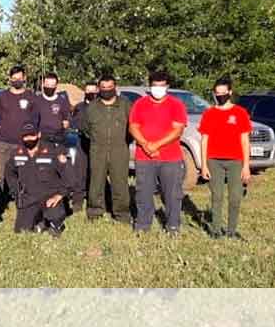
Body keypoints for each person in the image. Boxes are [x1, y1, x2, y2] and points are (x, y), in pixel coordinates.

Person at [129, 71, 188, 235]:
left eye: (162, 85)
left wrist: (156, 145)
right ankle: (142, 225)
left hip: (170, 158)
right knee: (143, 193)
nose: (158, 89)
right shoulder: (140, 104)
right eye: (155, 85)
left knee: (172, 194)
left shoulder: (176, 105)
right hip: (144, 157)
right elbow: (133, 127)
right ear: (150, 86)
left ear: (167, 86)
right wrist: (145, 144)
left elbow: (177, 130)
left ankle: (173, 225)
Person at [199, 78, 252, 240]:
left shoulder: (240, 113)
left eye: (223, 93)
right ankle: (215, 230)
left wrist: (246, 165)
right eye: (217, 93)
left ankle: (231, 230)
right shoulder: (209, 113)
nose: (220, 96)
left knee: (235, 197)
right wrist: (204, 166)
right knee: (217, 196)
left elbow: (245, 140)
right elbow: (204, 140)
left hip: (235, 161)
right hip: (214, 161)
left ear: (230, 92)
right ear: (214, 94)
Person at [82, 74, 132, 223]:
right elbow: (86, 129)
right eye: (103, 88)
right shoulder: (92, 107)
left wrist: (123, 142)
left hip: (120, 148)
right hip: (98, 149)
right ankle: (95, 212)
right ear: (98, 89)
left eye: (110, 88)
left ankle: (122, 214)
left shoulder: (125, 105)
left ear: (115, 87)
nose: (107, 90)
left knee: (120, 183)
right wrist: (98, 141)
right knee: (96, 183)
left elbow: (132, 127)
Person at [4, 123, 68, 237]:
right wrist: (16, 190)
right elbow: (9, 172)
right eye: (25, 136)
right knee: (21, 231)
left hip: (49, 195)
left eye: (31, 135)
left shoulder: (51, 151)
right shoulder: (17, 152)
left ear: (38, 134)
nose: (29, 138)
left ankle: (55, 224)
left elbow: (67, 174)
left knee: (56, 214)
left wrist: (59, 195)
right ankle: (40, 221)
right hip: (29, 197)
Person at [0, 65, 39, 187]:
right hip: (3, 143)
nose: (17, 81)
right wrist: (3, 129)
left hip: (23, 144)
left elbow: (36, 120)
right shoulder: (2, 96)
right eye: (14, 78)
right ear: (10, 79)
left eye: (19, 78)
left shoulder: (31, 97)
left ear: (24, 78)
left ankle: (22, 201)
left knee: (23, 175)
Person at [68, 80, 98, 213]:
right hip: (81, 143)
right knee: (79, 173)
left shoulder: (100, 107)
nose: (90, 93)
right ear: (85, 92)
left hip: (97, 145)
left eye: (93, 91)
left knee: (97, 174)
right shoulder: (79, 107)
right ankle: (77, 202)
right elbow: (73, 123)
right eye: (88, 91)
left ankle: (96, 201)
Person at [35, 72, 71, 145]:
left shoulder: (62, 101)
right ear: (43, 84)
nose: (49, 87)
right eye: (47, 85)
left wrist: (66, 125)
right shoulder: (36, 100)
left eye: (52, 85)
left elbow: (66, 120)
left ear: (56, 86)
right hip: (41, 139)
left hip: (58, 138)